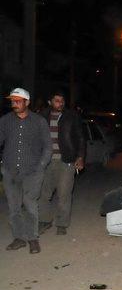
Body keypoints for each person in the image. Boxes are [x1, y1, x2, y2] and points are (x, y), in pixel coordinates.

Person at [0, 88, 52, 254]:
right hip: (10, 171)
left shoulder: (39, 121)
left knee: (30, 205)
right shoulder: (5, 121)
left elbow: (48, 147)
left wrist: (41, 167)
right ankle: (19, 238)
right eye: (12, 101)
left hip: (32, 172)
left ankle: (32, 239)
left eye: (18, 101)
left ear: (27, 102)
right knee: (14, 207)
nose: (14, 104)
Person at [38, 91, 85, 236]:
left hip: (66, 161)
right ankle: (44, 221)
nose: (60, 103)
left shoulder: (71, 116)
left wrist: (80, 156)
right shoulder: (41, 116)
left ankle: (62, 224)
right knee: (43, 194)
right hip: (45, 162)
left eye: (62, 100)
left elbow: (80, 137)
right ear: (50, 102)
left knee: (64, 194)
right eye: (57, 100)